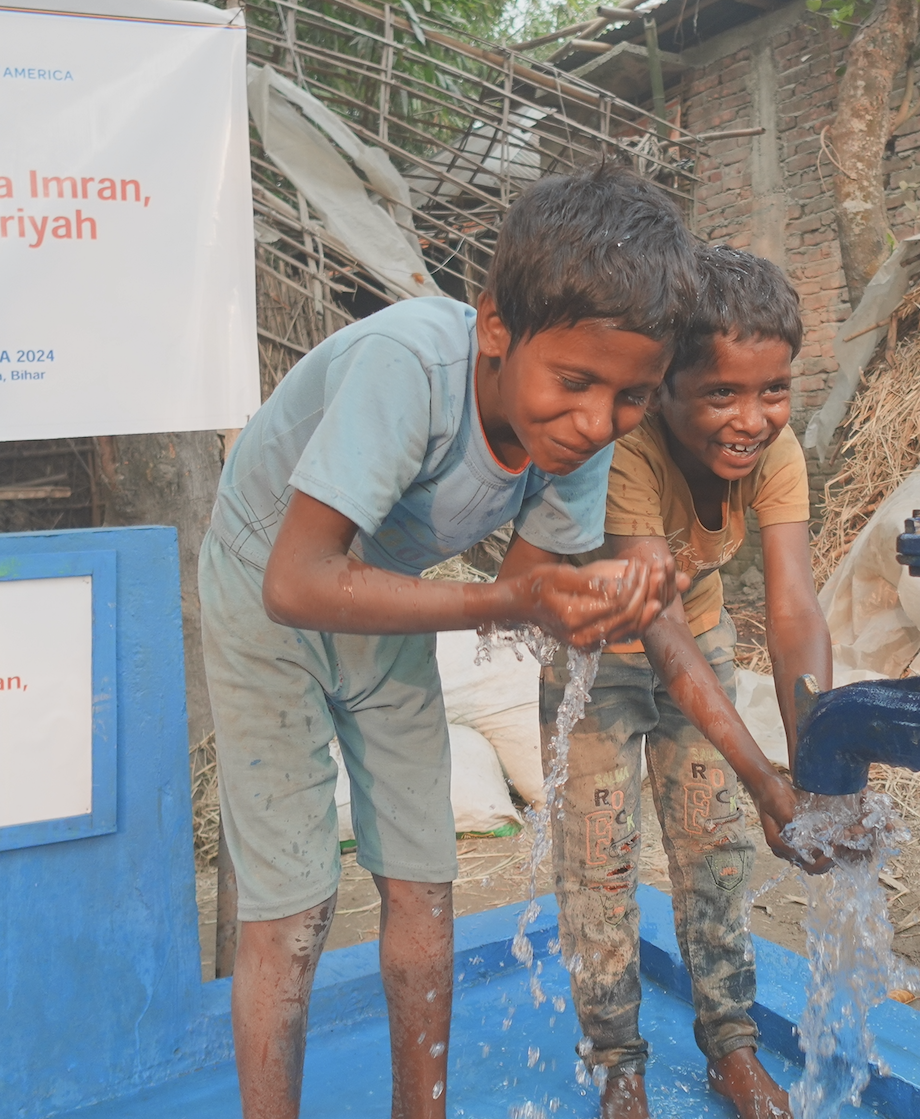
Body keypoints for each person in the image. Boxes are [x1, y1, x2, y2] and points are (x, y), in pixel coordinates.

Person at [201, 163, 699, 1119]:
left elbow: (526, 593)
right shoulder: (411, 368)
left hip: (380, 592)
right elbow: (298, 580)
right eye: (576, 382)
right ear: (496, 330)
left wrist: (613, 595)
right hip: (268, 582)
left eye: (631, 398)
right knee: (295, 906)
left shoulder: (575, 443)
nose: (597, 423)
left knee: (424, 879)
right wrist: (512, 601)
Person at [547, 244, 834, 1119]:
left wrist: (813, 768)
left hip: (702, 651)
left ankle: (732, 1046)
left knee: (715, 855)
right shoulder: (626, 453)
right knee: (598, 872)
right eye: (721, 393)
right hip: (601, 665)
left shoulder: (776, 454)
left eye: (772, 390)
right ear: (662, 386)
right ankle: (617, 1064)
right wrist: (762, 775)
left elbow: (791, 611)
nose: (751, 418)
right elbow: (653, 627)